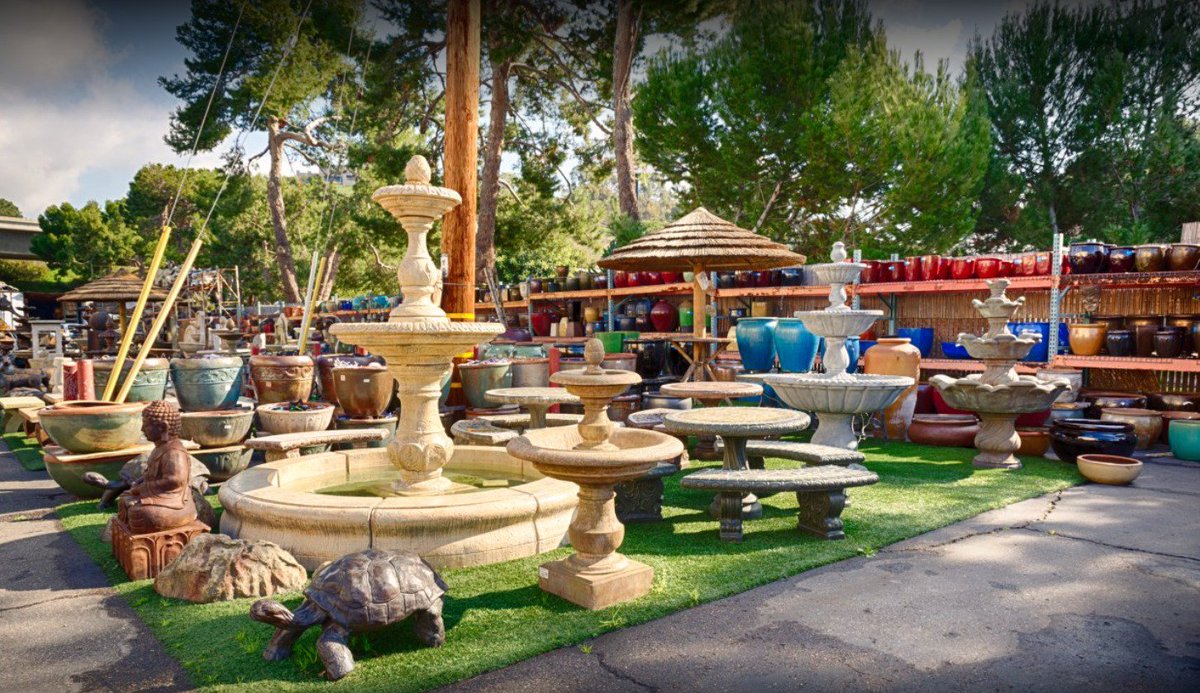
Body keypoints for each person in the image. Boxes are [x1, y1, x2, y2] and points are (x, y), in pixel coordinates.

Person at [117, 400, 199, 533]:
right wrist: (140, 481)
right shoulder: (159, 448)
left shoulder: (174, 452)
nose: (142, 429)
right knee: (124, 499)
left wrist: (144, 488)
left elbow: (175, 480)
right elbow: (150, 473)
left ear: (163, 427)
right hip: (159, 496)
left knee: (139, 513)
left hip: (173, 500)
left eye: (146, 425)